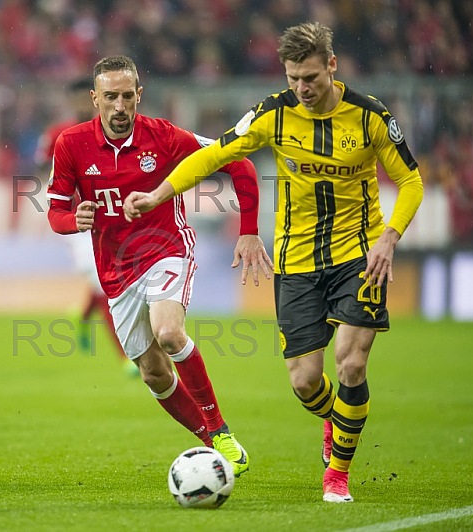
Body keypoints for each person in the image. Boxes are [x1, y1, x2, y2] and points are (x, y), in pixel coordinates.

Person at [123, 22, 424, 502]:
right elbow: (214, 156)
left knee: (350, 363)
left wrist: (389, 237)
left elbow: (411, 183)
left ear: (332, 65)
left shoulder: (370, 116)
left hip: (359, 254)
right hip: (296, 258)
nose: (302, 89)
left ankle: (337, 476)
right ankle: (335, 419)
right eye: (293, 79)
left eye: (310, 77)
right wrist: (158, 194)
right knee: (306, 382)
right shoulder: (274, 113)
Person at [47, 55, 272, 476]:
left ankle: (219, 428)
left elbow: (237, 161)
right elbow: (56, 211)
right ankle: (211, 441)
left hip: (166, 248)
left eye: (126, 96)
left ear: (139, 96)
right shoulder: (70, 144)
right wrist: (70, 221)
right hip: (115, 270)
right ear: (94, 99)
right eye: (109, 97)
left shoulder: (165, 136)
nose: (119, 106)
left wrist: (248, 229)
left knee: (169, 333)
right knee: (152, 373)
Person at [36, 78, 130, 369]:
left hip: (110, 217)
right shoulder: (57, 135)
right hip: (77, 221)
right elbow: (40, 167)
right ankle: (126, 357)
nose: (80, 105)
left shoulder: (110, 131)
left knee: (112, 278)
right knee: (106, 283)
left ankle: (83, 313)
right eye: (74, 99)